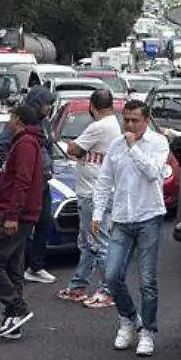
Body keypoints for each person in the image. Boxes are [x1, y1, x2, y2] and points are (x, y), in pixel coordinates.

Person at [91, 99, 170, 357]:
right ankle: (128, 319)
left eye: (135, 120)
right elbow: (104, 181)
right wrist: (97, 214)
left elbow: (153, 172)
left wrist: (133, 147)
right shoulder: (115, 145)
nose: (130, 125)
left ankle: (148, 331)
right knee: (112, 275)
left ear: (146, 121)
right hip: (122, 218)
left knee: (147, 280)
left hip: (149, 216)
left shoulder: (158, 143)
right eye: (126, 120)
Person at [0, 105, 44, 340]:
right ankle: (13, 321)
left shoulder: (25, 143)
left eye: (11, 117)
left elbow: (22, 180)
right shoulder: (28, 142)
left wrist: (12, 214)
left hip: (16, 214)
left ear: (18, 120)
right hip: (21, 214)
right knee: (13, 266)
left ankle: (17, 307)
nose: (8, 121)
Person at [57, 89, 120, 309]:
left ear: (92, 106)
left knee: (99, 243)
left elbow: (73, 148)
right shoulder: (113, 124)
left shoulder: (98, 126)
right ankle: (78, 286)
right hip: (98, 191)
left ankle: (109, 290)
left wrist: (77, 149)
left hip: (93, 194)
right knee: (88, 243)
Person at [0, 85, 57, 284]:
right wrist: (8, 166)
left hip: (43, 182)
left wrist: (50, 164)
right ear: (37, 103)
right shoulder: (22, 123)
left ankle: (35, 266)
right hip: (28, 183)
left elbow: (48, 145)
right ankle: (12, 269)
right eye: (47, 104)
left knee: (45, 221)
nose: (49, 108)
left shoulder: (44, 123)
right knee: (21, 226)